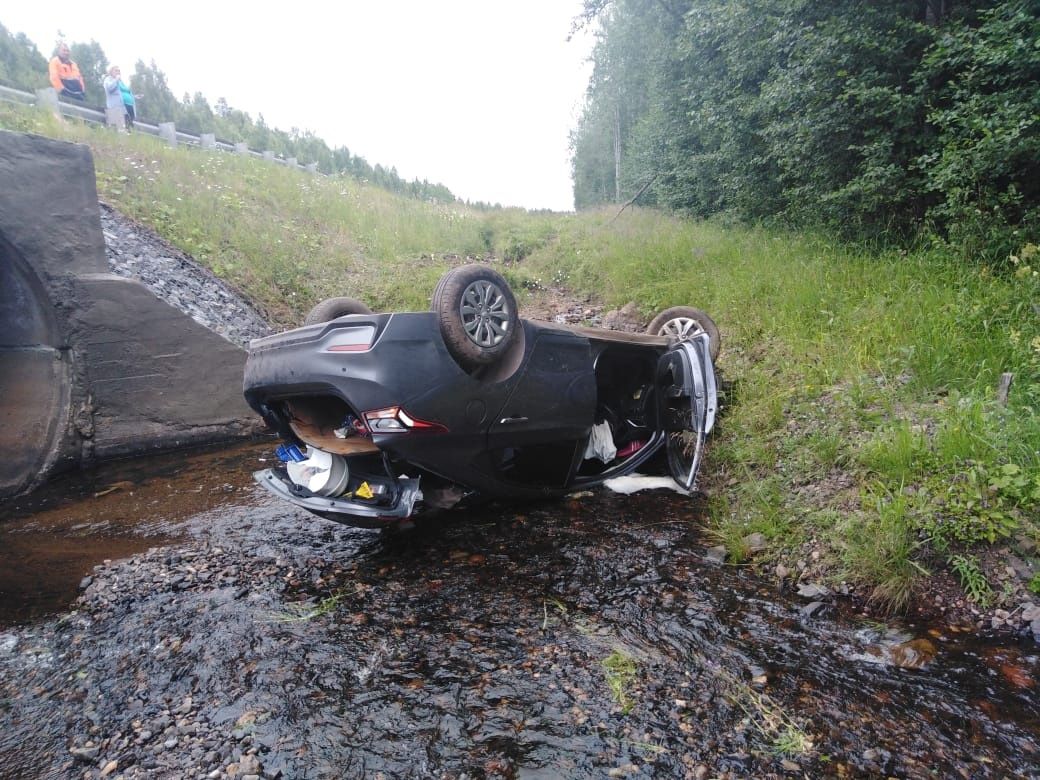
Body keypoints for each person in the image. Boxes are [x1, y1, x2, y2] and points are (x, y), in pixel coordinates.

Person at [103, 65, 134, 129]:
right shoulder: (108, 79)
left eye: (119, 71)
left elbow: (123, 93)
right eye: (116, 70)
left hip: (128, 106)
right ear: (111, 72)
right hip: (117, 107)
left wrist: (134, 97)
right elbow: (109, 88)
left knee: (129, 126)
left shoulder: (121, 81)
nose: (118, 72)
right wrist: (116, 80)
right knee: (121, 127)